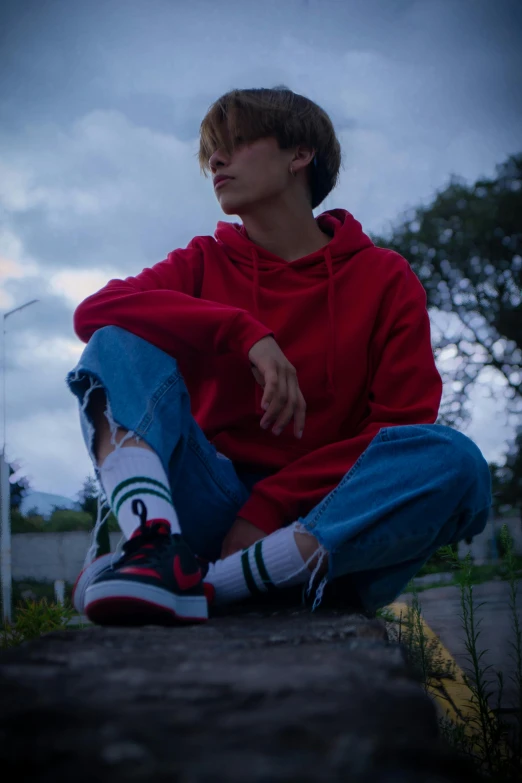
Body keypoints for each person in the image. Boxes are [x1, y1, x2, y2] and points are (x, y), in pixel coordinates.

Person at [68, 86, 492, 626]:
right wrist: (242, 331)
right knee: (116, 339)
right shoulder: (201, 262)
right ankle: (153, 547)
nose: (216, 160)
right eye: (212, 151)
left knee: (454, 461)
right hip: (208, 508)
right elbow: (96, 311)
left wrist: (266, 507)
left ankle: (213, 583)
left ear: (299, 155)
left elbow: (400, 424)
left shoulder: (385, 278)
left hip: (324, 523)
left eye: (238, 142)